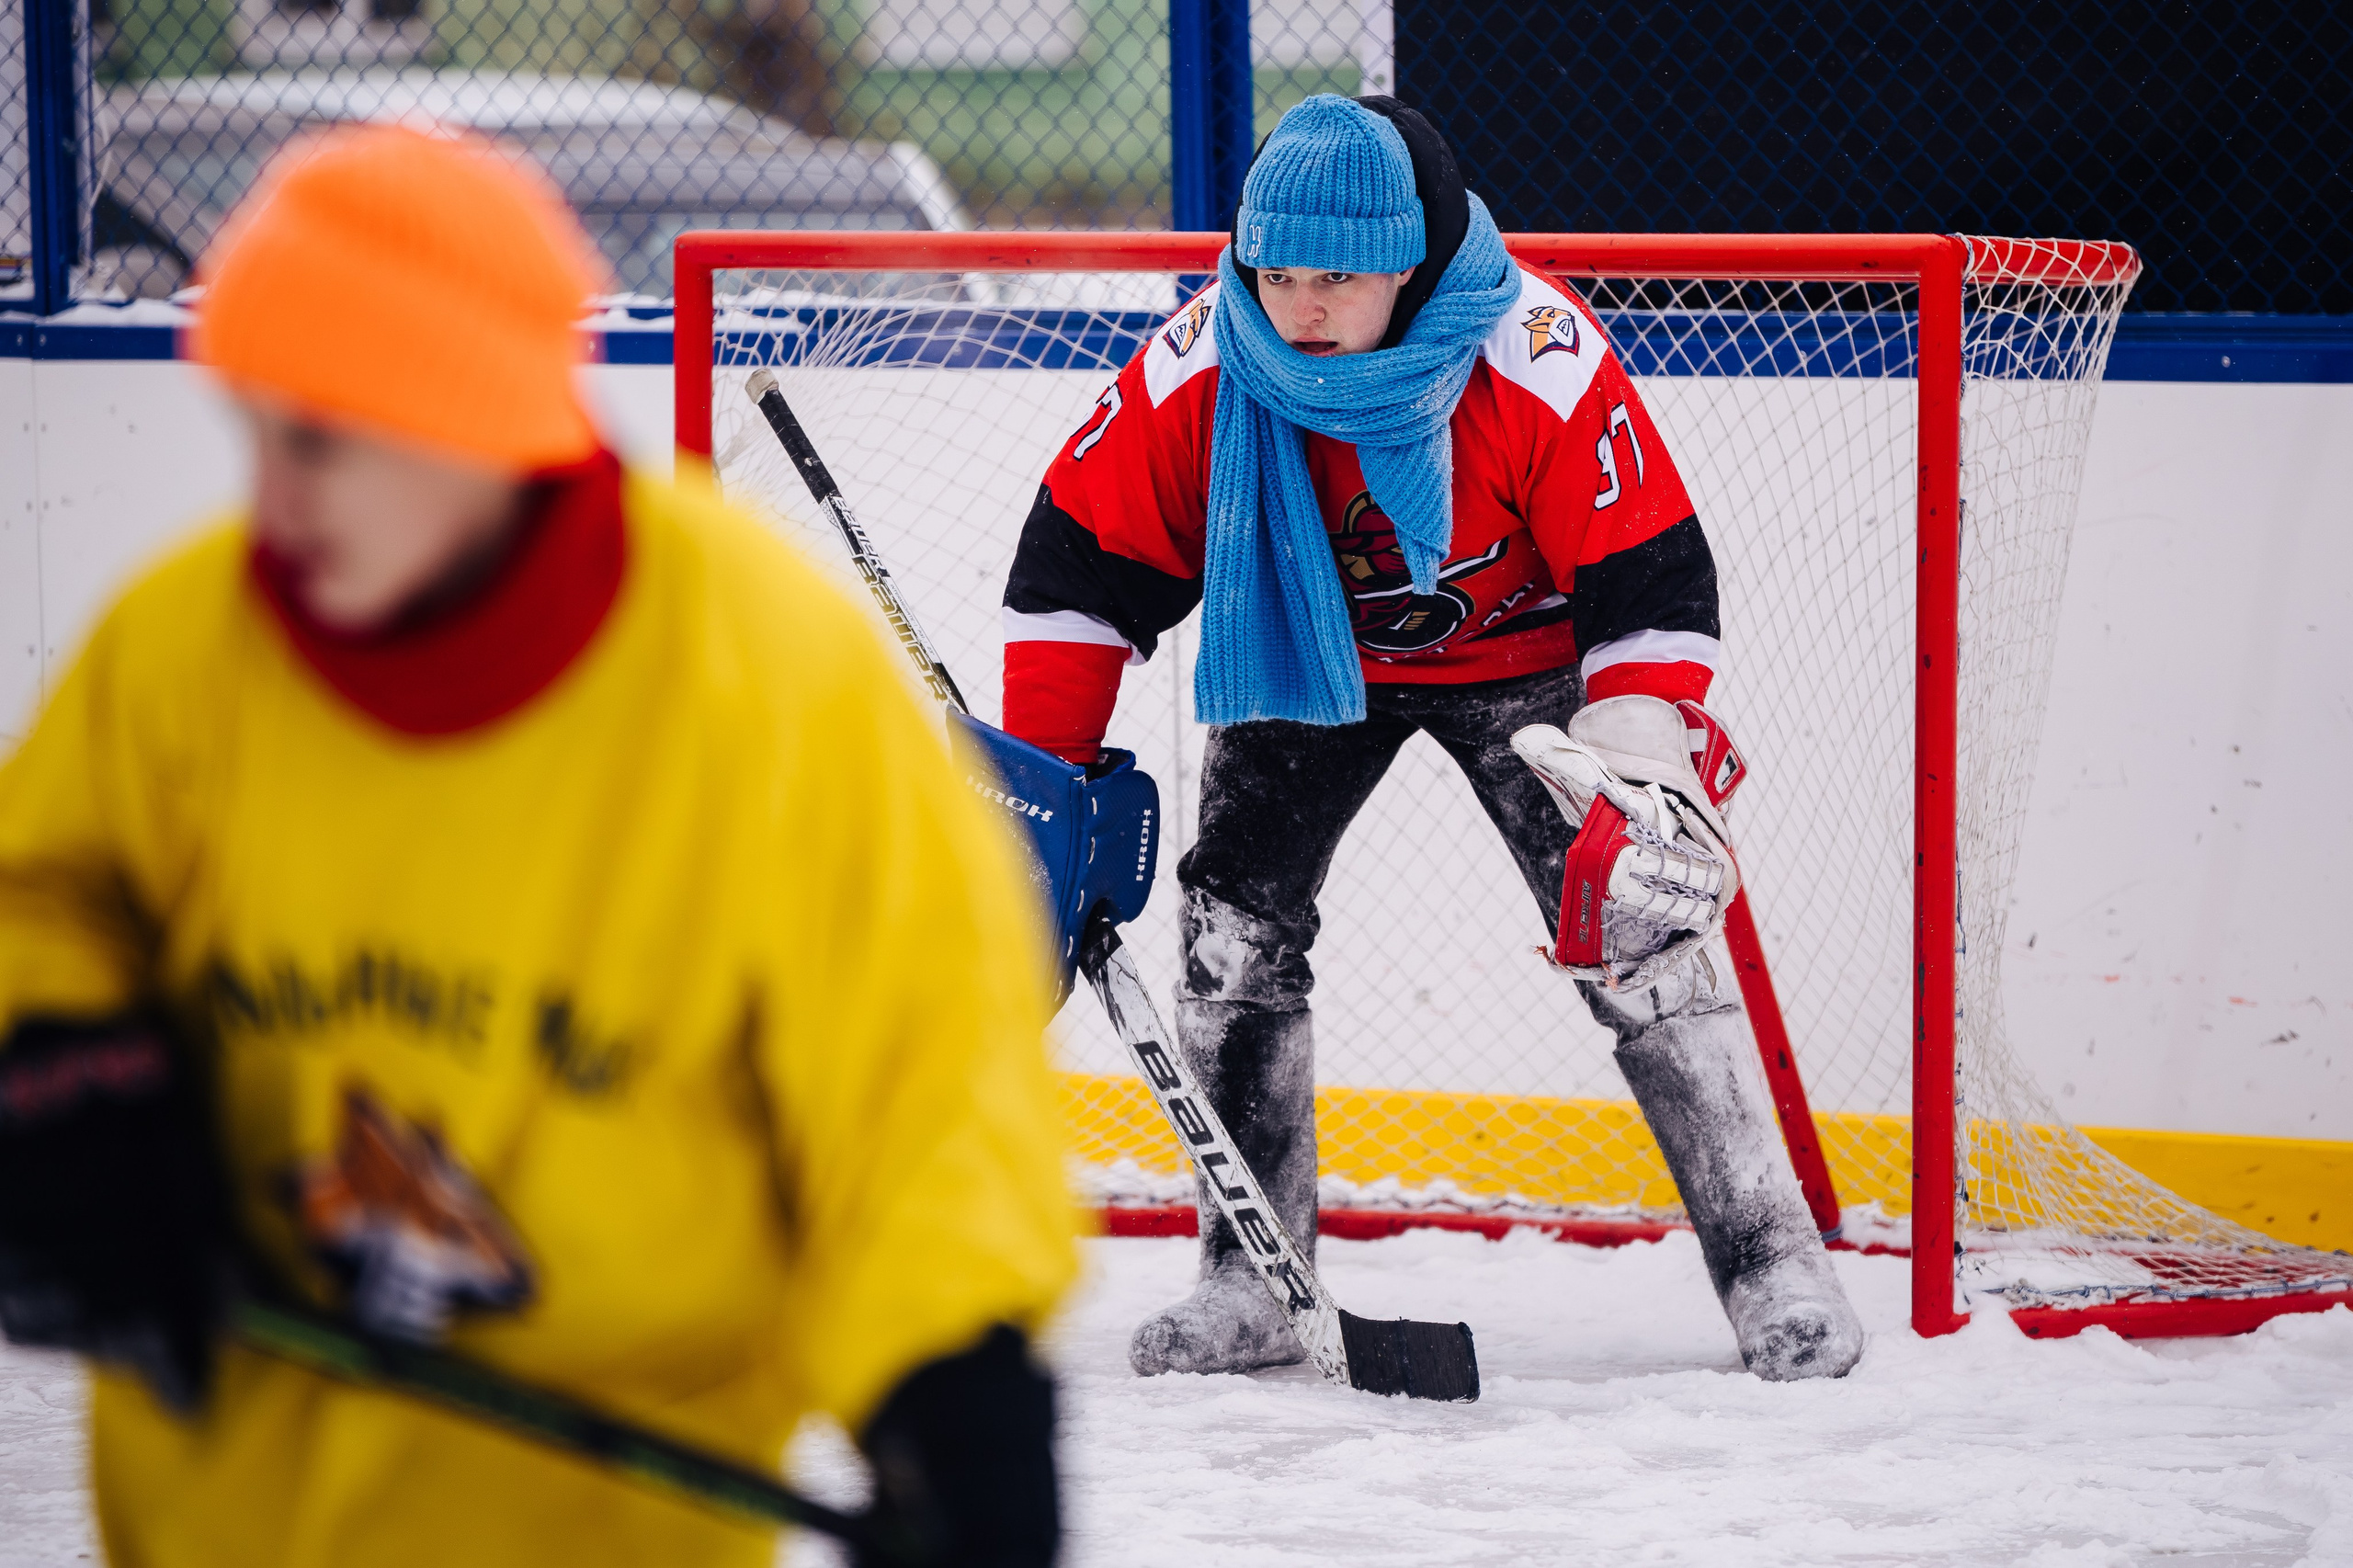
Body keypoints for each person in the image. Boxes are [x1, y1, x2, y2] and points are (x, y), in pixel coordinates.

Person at [0, 124, 1074, 1567]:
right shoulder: (182, 650)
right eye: (252, 431)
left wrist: (955, 1376)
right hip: (230, 1521)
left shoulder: (772, 683)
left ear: (472, 420)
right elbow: (40, 893)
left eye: (317, 440)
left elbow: (918, 1077)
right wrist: (56, 1065)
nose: (271, 495)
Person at [997, 95, 1865, 1382]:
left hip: (1530, 664)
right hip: (1302, 653)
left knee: (1647, 928)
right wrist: (1047, 791)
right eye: (1275, 275)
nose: (1299, 310)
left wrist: (1635, 751)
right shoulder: (1204, 362)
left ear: (1406, 262)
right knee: (1232, 938)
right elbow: (1079, 568)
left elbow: (1651, 579)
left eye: (1335, 280)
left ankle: (1771, 1260)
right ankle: (1247, 1282)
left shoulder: (1533, 354)